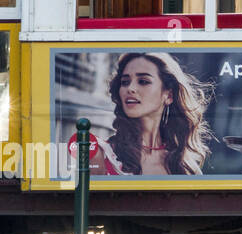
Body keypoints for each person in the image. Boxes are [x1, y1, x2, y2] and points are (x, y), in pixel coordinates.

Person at [71, 52, 215, 176]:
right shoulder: (99, 155)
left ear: (169, 95)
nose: (131, 88)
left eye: (143, 81)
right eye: (125, 82)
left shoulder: (186, 167)